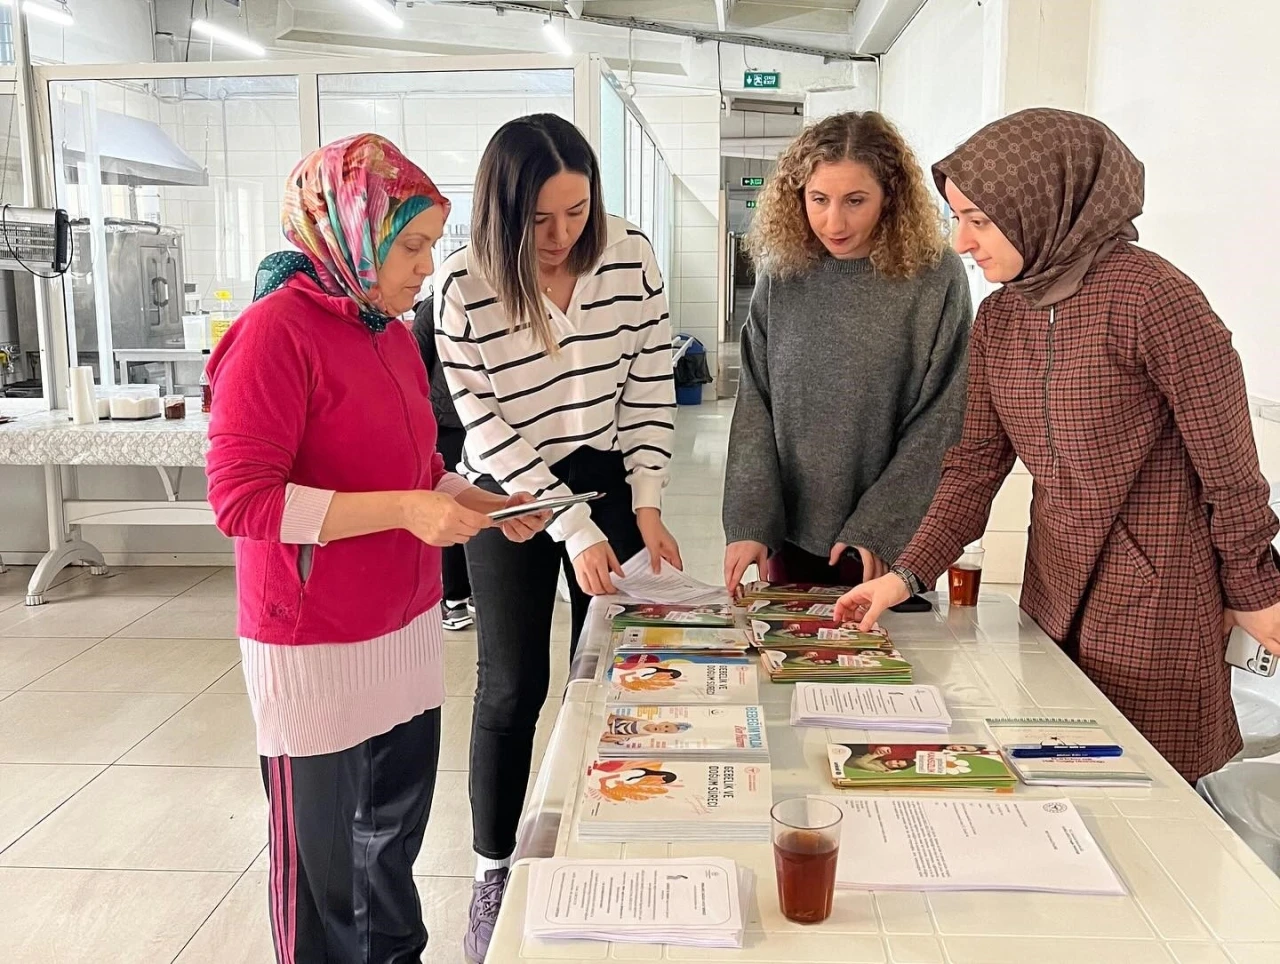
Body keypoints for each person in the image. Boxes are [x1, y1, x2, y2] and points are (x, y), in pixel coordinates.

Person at [836, 107, 1280, 784]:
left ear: (1046, 204)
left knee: (1150, 801)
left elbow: (1231, 474)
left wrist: (1254, 587)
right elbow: (975, 465)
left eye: (979, 220)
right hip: (1051, 592)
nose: (962, 243)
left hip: (1156, 601)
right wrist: (906, 575)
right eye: (957, 218)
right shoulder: (1002, 315)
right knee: (1060, 780)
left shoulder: (1153, 298)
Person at [205, 133, 546, 964]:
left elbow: (418, 466)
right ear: (354, 232)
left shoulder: (388, 331)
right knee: (324, 878)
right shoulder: (272, 335)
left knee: (389, 847)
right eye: (417, 245)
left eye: (434, 245)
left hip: (402, 631)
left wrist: (480, 502)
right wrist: (407, 508)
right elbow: (241, 500)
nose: (429, 268)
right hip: (314, 645)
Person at [433, 113, 681, 962]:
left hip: (607, 475)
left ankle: (601, 837)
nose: (561, 235)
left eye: (576, 212)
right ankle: (492, 867)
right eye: (538, 220)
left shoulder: (631, 258)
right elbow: (484, 423)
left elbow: (651, 385)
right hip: (508, 492)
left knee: (614, 679)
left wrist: (645, 501)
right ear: (501, 212)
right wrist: (568, 525)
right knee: (511, 687)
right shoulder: (463, 283)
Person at [722, 110, 973, 594]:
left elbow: (943, 415)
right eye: (818, 199)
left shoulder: (934, 277)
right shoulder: (782, 273)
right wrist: (750, 520)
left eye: (855, 201)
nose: (833, 222)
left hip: (890, 545)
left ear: (890, 198)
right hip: (790, 537)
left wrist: (881, 524)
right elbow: (755, 399)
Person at [411, 294, 474, 630]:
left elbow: (416, 364)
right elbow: (414, 365)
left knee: (468, 509)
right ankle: (459, 598)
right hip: (455, 424)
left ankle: (462, 598)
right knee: (458, 507)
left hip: (464, 424)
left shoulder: (433, 307)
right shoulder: (434, 307)